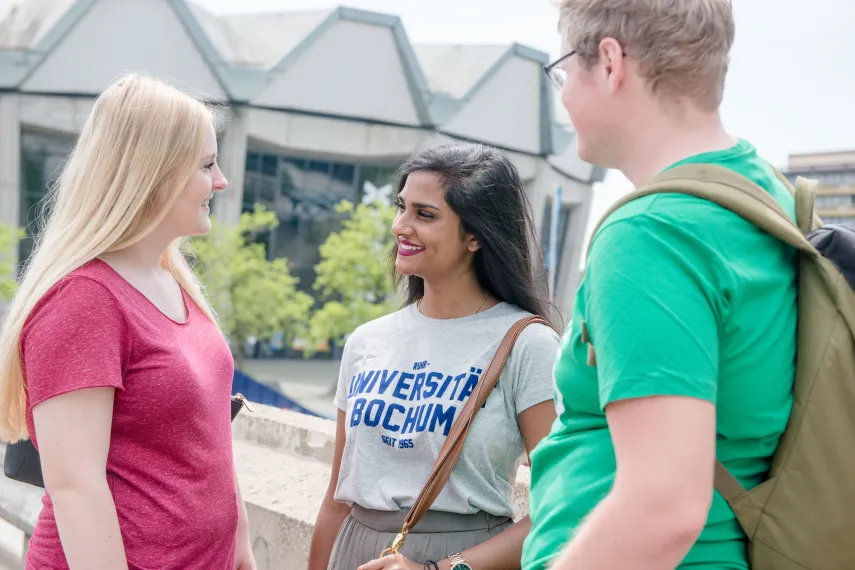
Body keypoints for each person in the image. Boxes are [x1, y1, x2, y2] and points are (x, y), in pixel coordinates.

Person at [522, 1, 798, 569]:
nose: (566, 95)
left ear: (609, 62)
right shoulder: (768, 196)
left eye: (565, 71)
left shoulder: (653, 234)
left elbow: (663, 506)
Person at [0, 74, 256, 570]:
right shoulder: (85, 300)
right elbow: (76, 486)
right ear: (153, 172)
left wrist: (239, 546)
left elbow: (208, 444)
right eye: (206, 165)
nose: (221, 181)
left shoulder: (169, 278)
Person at [308, 143, 561, 570]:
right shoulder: (368, 341)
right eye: (401, 207)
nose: (400, 227)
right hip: (353, 553)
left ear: (476, 235)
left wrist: (441, 569)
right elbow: (337, 499)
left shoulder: (527, 344)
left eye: (424, 215)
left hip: (461, 558)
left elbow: (560, 508)